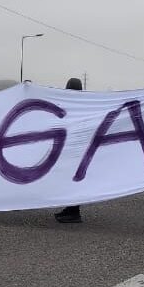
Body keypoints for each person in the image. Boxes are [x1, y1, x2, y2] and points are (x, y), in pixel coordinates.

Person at [54, 78, 84, 223]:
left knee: (72, 181)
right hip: (77, 149)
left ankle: (74, 211)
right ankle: (71, 209)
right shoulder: (85, 104)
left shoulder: (71, 103)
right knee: (73, 180)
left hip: (73, 150)